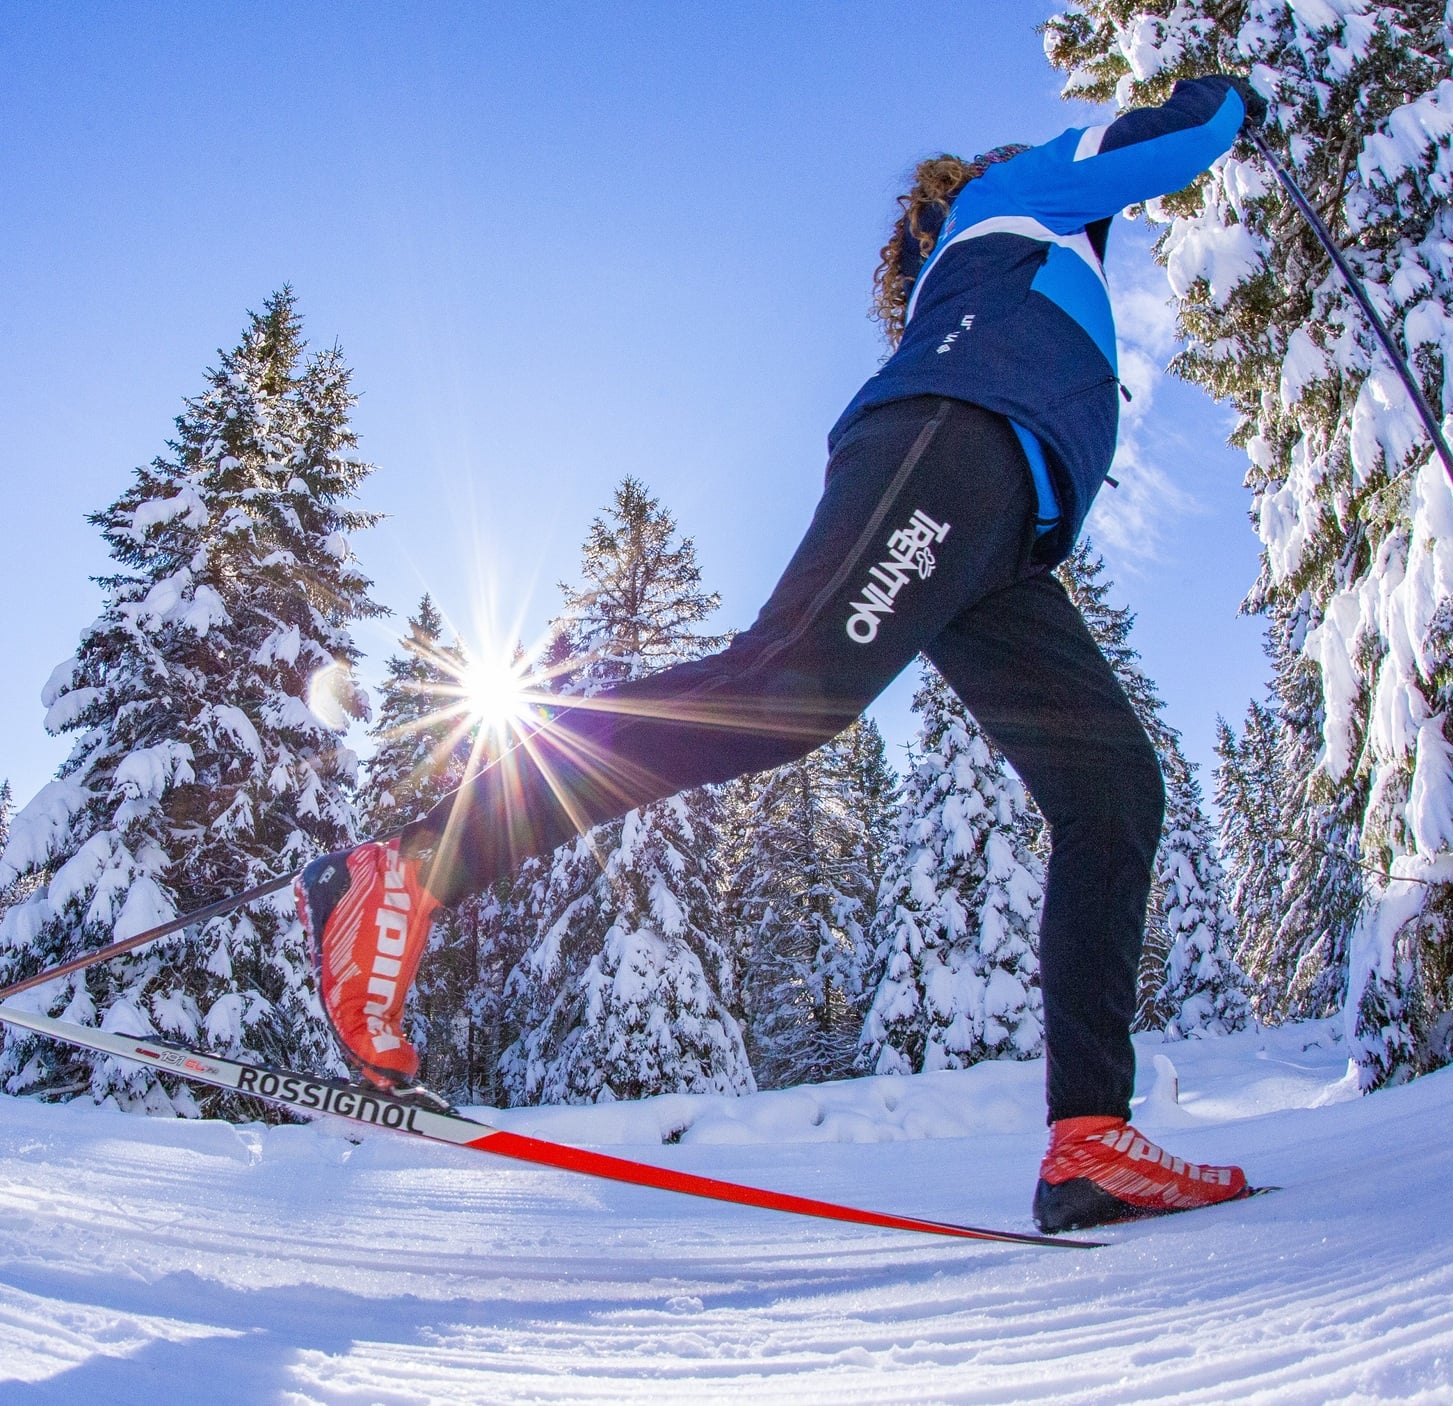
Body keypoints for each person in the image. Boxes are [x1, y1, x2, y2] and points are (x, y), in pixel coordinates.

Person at [296, 74, 1269, 1235]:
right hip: (953, 447)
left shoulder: (1010, 259)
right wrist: (1236, 95)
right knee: (786, 691)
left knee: (1112, 794)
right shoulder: (1026, 189)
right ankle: (410, 866)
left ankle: (1090, 1135)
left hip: (1004, 534)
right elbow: (1182, 133)